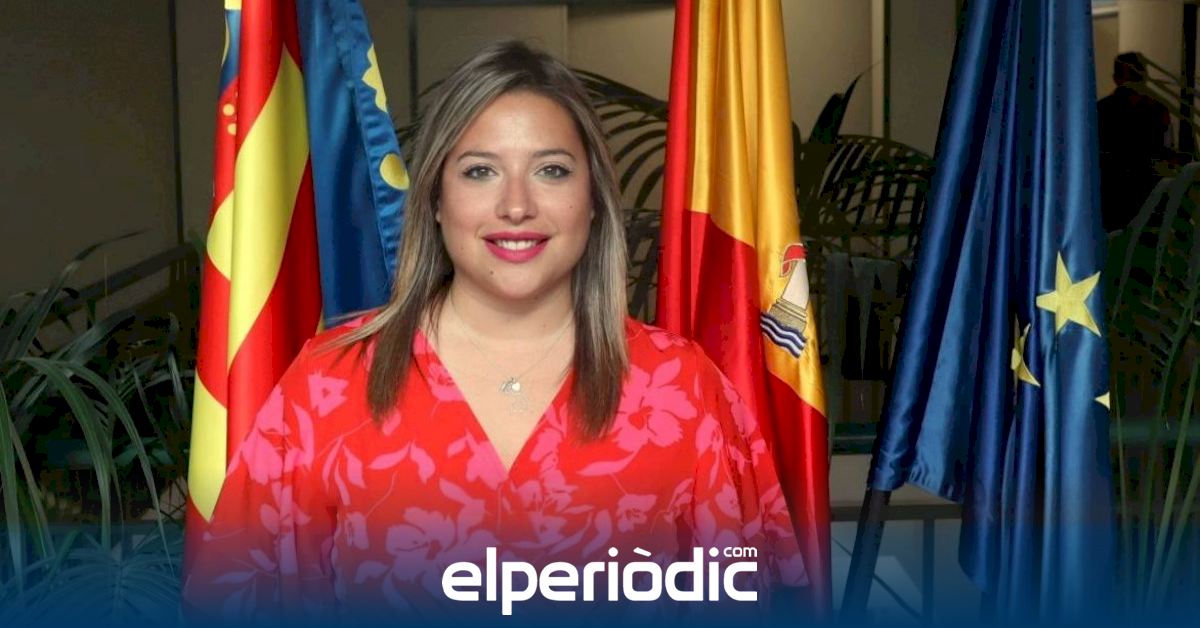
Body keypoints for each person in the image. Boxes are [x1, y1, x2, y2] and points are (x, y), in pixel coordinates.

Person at [182, 40, 806, 623]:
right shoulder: (327, 387)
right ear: (435, 198)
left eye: (552, 170)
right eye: (480, 172)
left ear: (594, 198)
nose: (516, 206)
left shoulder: (683, 389)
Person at [1097, 52, 1172, 232]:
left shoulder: (1101, 109)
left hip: (1112, 196)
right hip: (1148, 196)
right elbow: (1166, 152)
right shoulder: (1158, 109)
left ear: (1116, 79)